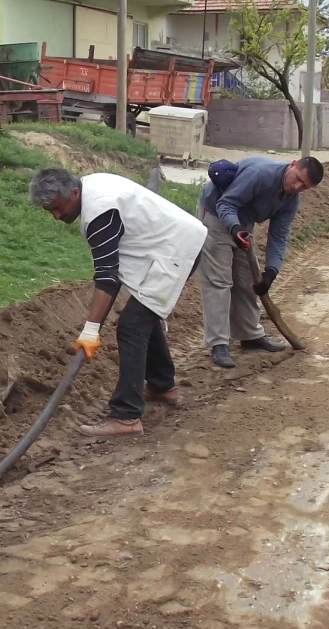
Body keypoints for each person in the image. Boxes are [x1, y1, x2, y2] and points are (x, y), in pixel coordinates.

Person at [29, 168, 207, 438]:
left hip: (175, 252)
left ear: (73, 193)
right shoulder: (91, 187)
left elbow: (107, 278)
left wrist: (90, 331)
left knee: (132, 327)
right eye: (49, 211)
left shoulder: (100, 210)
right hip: (168, 246)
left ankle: (126, 416)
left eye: (57, 208)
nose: (56, 216)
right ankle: (162, 386)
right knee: (142, 317)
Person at [197, 156, 325, 368]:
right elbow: (226, 203)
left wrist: (271, 271)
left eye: (304, 186)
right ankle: (218, 343)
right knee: (219, 282)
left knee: (248, 280)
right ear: (292, 164)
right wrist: (235, 229)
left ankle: (250, 335)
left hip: (243, 224)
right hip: (217, 216)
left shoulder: (291, 199)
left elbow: (279, 236)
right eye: (298, 179)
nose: (297, 187)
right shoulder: (260, 174)